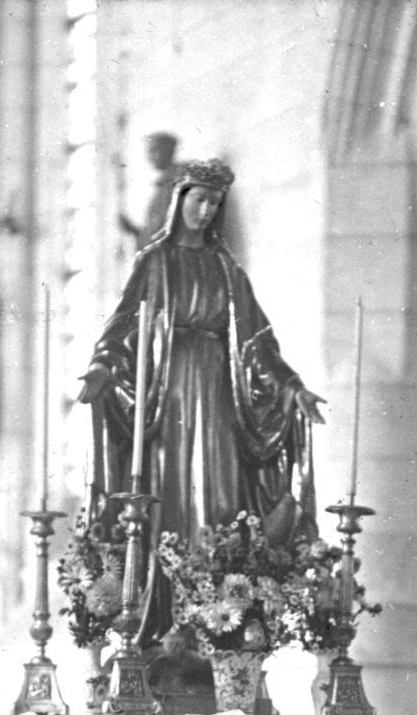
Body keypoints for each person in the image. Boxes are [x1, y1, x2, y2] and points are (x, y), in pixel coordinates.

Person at [78, 157, 325, 644]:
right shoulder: (155, 261)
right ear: (179, 201)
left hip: (217, 392)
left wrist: (290, 386)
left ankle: (216, 623)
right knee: (169, 495)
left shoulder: (225, 269)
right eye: (199, 199)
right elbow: (123, 323)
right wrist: (104, 366)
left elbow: (256, 342)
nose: (206, 210)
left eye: (215, 202)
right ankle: (165, 622)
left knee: (218, 496)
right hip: (168, 394)